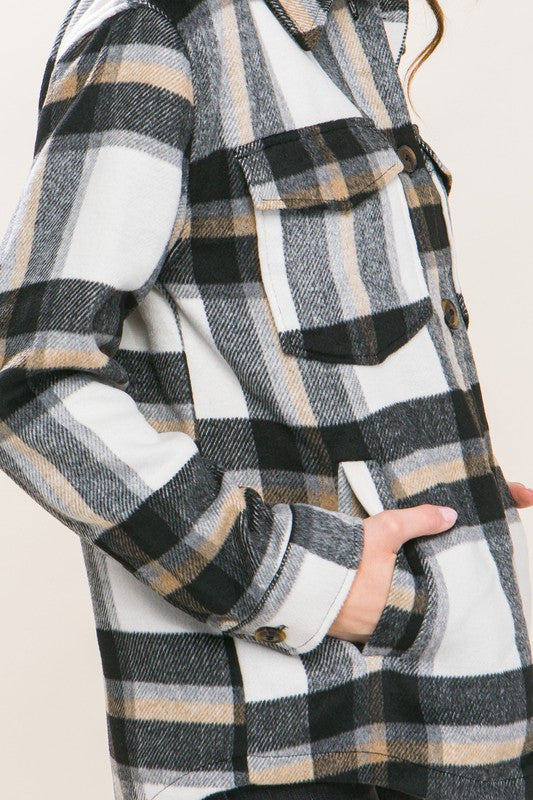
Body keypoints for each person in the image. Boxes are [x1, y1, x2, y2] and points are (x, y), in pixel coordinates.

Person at [0, 0, 532, 799]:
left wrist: (449, 487)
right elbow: (30, 374)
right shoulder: (157, 28)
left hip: (461, 707)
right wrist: (304, 583)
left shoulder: (349, 29)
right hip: (291, 742)